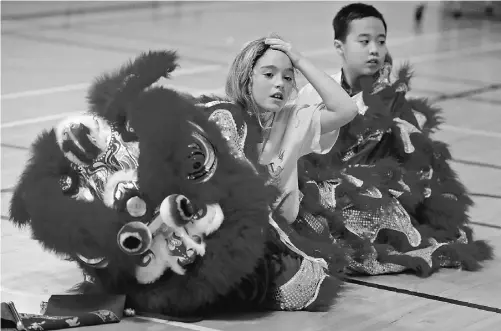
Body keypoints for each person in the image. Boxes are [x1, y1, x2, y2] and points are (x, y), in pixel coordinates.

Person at [291, 2, 493, 277]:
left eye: (381, 41)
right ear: (340, 46)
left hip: (378, 193)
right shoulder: (314, 94)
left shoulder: (393, 98)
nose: (374, 49)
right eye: (364, 41)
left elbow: (416, 161)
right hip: (324, 188)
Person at [221, 35, 358, 224]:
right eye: (269, 74)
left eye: (287, 78)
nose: (280, 84)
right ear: (246, 77)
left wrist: (300, 61)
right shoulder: (223, 119)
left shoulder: (293, 119)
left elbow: (346, 110)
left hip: (281, 234)